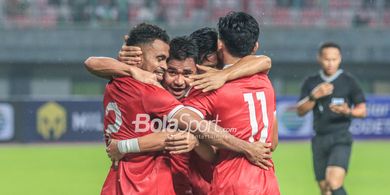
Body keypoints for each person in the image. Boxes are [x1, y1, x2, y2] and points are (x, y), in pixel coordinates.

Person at [86, 23, 273, 195]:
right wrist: (128, 67)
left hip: (202, 186)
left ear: (198, 71)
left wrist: (197, 139)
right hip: (153, 185)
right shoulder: (152, 90)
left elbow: (264, 61)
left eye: (187, 73)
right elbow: (91, 62)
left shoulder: (209, 94)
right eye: (172, 71)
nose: (179, 81)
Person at [181, 12, 280, 194]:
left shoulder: (209, 87)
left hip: (231, 183)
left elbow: (185, 121)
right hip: (267, 181)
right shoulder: (265, 82)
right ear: (255, 46)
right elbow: (272, 142)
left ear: (220, 44)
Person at [296, 42, 367, 195]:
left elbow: (362, 111)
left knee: (333, 182)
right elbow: (300, 111)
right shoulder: (311, 82)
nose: (330, 63)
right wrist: (314, 96)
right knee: (325, 189)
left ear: (340, 59)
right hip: (320, 139)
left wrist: (348, 111)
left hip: (340, 137)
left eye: (334, 59)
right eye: (327, 59)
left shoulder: (348, 81)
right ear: (319, 59)